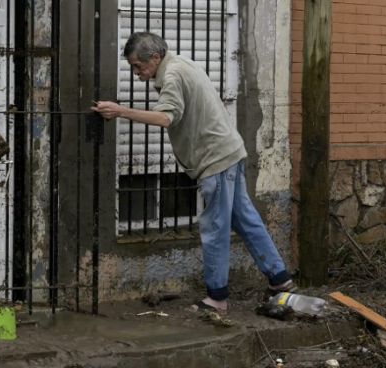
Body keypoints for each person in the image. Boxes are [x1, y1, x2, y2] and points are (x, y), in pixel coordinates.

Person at [91, 31, 294, 314]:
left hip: (216, 160)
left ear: (155, 57)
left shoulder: (172, 76)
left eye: (138, 66)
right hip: (230, 151)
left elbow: (165, 118)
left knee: (215, 227)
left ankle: (217, 298)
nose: (137, 74)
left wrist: (120, 111)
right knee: (245, 218)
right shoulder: (182, 63)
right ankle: (280, 279)